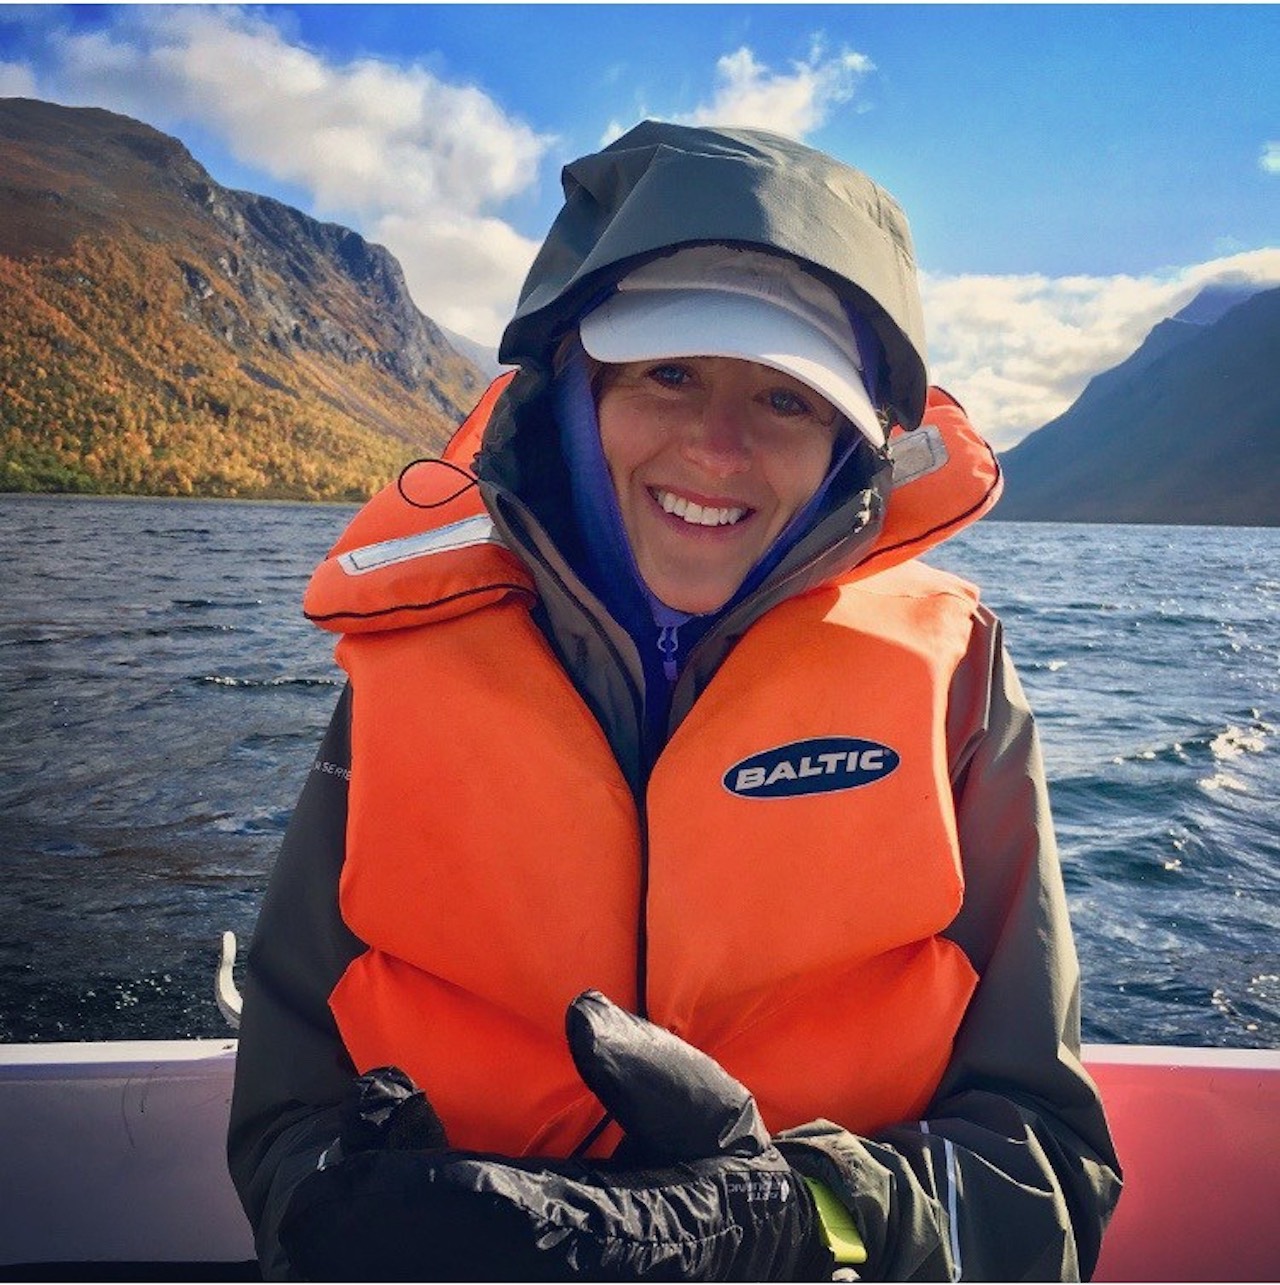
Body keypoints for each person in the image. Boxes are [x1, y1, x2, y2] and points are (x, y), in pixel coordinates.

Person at [228, 120, 1122, 1281]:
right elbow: (283, 1115)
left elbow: (1046, 1172)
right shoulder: (409, 668)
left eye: (788, 401)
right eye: (667, 371)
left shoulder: (957, 687)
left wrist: (799, 1222)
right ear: (572, 388)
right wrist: (344, 1215)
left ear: (853, 445)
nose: (717, 446)